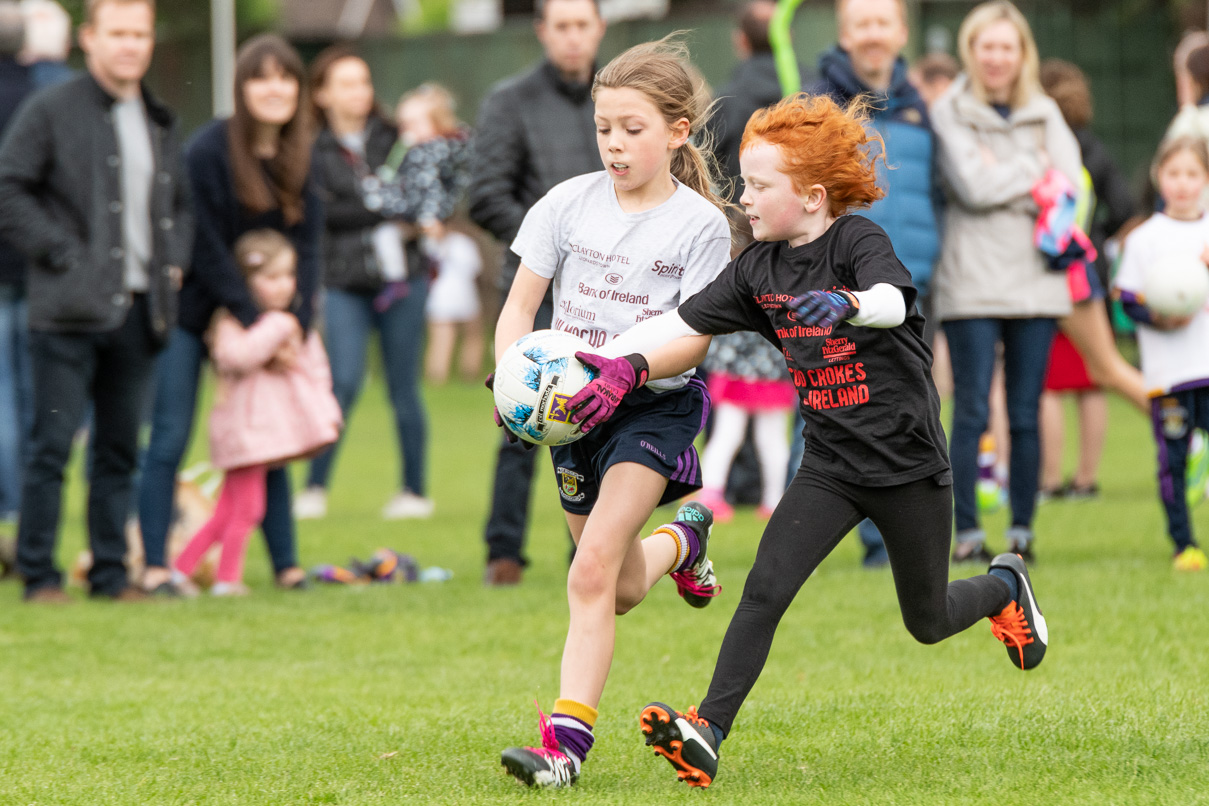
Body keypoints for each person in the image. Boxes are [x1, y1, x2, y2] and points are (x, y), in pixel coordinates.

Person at [585, 93, 1047, 789]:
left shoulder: (856, 241)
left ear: (810, 196)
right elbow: (678, 323)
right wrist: (615, 365)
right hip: (829, 465)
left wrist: (849, 303)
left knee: (925, 620)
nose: (743, 198)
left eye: (759, 186)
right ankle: (705, 732)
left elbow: (894, 299)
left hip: (907, 466)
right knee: (764, 590)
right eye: (744, 183)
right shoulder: (755, 270)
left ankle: (1004, 586)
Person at [494, 38, 732, 789]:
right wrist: (512, 386)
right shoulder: (563, 205)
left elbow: (695, 339)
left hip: (652, 411)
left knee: (589, 568)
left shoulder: (700, 227)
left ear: (677, 131)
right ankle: (683, 542)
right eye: (604, 128)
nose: (615, 144)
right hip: (573, 417)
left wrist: (626, 370)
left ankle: (564, 748)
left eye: (632, 128)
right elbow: (520, 311)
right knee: (621, 586)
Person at [0, 0, 192, 602]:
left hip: (141, 309)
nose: (130, 45)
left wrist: (175, 259)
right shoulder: (50, 109)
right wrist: (62, 254)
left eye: (139, 34)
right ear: (89, 39)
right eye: (118, 34)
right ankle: (39, 574)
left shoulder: (158, 117)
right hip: (66, 311)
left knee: (117, 450)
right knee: (51, 449)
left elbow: (180, 204)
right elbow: (9, 186)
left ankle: (111, 575)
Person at [138, 33, 319, 595]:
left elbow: (310, 245)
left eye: (286, 77)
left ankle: (287, 564)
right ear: (242, 87)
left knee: (275, 438)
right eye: (261, 77)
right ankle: (154, 566)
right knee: (169, 436)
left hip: (269, 323)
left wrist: (296, 324)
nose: (275, 88)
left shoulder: (301, 153)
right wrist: (253, 316)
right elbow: (206, 244)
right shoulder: (210, 149)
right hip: (195, 315)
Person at [930, 0, 1082, 564]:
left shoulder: (1044, 109)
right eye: (986, 46)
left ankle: (1022, 530)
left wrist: (1011, 173)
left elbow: (1069, 186)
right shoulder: (949, 109)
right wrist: (1032, 172)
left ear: (1022, 54)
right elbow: (971, 185)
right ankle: (966, 532)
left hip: (1037, 282)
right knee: (969, 409)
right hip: (972, 282)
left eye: (1006, 47)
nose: (996, 57)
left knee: (1024, 410)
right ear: (972, 51)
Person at [469, 0, 607, 586]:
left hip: (608, 291)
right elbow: (485, 195)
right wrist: (551, 245)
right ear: (543, 32)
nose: (573, 38)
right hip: (534, 287)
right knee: (521, 417)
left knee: (600, 419)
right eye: (562, 26)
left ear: (599, 29)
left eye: (583, 25)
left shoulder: (618, 100)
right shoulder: (510, 101)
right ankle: (504, 551)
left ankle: (593, 553)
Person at [810, 0, 943, 566]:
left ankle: (905, 538)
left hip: (909, 287)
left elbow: (935, 191)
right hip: (839, 291)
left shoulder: (922, 109)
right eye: (861, 23)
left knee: (910, 413)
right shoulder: (816, 105)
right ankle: (841, 536)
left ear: (900, 32)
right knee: (838, 410)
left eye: (882, 22)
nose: (872, 34)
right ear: (844, 32)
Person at [291, 47, 434, 522]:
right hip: (343, 283)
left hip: (403, 282)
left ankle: (414, 491)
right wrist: (380, 206)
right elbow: (319, 214)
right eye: (347, 83)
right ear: (323, 93)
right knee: (343, 383)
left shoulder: (399, 138)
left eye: (364, 81)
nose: (360, 92)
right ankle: (313, 488)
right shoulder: (310, 149)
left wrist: (378, 205)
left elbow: (423, 198)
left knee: (403, 388)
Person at [172, 230, 341, 597]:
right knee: (248, 509)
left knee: (227, 510)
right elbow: (236, 357)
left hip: (266, 435)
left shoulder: (297, 324)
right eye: (271, 277)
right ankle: (227, 579)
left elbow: (315, 370)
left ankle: (180, 569)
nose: (283, 286)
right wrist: (276, 328)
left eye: (288, 276)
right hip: (243, 432)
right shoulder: (234, 322)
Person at [1037, 58, 1140, 500]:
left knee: (1059, 380)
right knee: (1094, 378)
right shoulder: (1093, 148)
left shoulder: (1045, 147)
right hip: (1087, 269)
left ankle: (1192, 428)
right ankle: (1083, 479)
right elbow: (1126, 208)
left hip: (1059, 272)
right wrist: (1097, 237)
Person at [1114, 136, 1209, 572]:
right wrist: (1160, 315)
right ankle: (1183, 544)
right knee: (1172, 461)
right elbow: (1128, 299)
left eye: (1193, 174)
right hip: (1169, 376)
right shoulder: (1145, 239)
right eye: (1174, 174)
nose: (1183, 184)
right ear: (1159, 178)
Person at [694, 331, 795, 521]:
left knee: (728, 436)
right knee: (769, 440)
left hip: (734, 359)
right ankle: (774, 502)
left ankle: (710, 497)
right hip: (770, 361)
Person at [0, 2, 30, 526]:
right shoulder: (40, 95)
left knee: (2, 392)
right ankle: (28, 503)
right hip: (38, 264)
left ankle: (9, 504)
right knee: (30, 393)